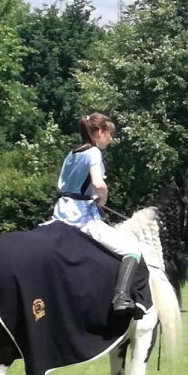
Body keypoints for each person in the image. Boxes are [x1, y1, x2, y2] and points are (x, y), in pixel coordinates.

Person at [51, 113, 143, 315]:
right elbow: (97, 183)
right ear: (101, 132)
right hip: (82, 215)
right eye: (110, 134)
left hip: (61, 211)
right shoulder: (93, 153)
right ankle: (120, 298)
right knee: (133, 250)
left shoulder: (72, 153)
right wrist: (103, 196)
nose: (111, 139)